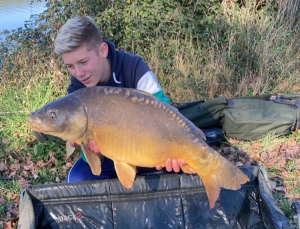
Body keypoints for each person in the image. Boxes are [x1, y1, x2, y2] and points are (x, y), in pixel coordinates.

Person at [54, 15, 192, 182]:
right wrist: (93, 151)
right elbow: (86, 152)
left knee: (184, 171)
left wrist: (172, 151)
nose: (78, 73)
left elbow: (166, 113)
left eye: (83, 62)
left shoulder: (133, 67)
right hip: (111, 156)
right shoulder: (77, 90)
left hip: (150, 149)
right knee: (77, 179)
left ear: (103, 50)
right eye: (70, 66)